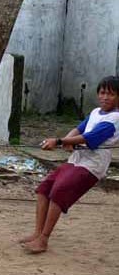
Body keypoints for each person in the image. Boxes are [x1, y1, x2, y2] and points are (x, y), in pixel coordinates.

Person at [20, 76, 119, 254]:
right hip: (77, 159)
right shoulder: (96, 112)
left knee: (59, 191)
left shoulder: (115, 118)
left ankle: (43, 239)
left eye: (111, 94)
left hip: (92, 165)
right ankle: (37, 233)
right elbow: (80, 129)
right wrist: (66, 140)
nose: (105, 97)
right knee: (45, 188)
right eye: (102, 93)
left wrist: (59, 141)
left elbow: (90, 138)